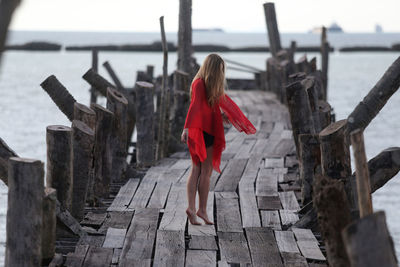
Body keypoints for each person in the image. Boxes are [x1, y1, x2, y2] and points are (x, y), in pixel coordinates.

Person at [181, 53, 257, 225]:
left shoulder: (200, 83)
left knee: (196, 169)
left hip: (199, 129)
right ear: (214, 69)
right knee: (205, 172)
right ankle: (200, 210)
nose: (221, 73)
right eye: (220, 69)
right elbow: (194, 108)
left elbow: (205, 107)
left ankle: (193, 209)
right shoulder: (201, 83)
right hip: (201, 130)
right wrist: (186, 127)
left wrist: (220, 115)